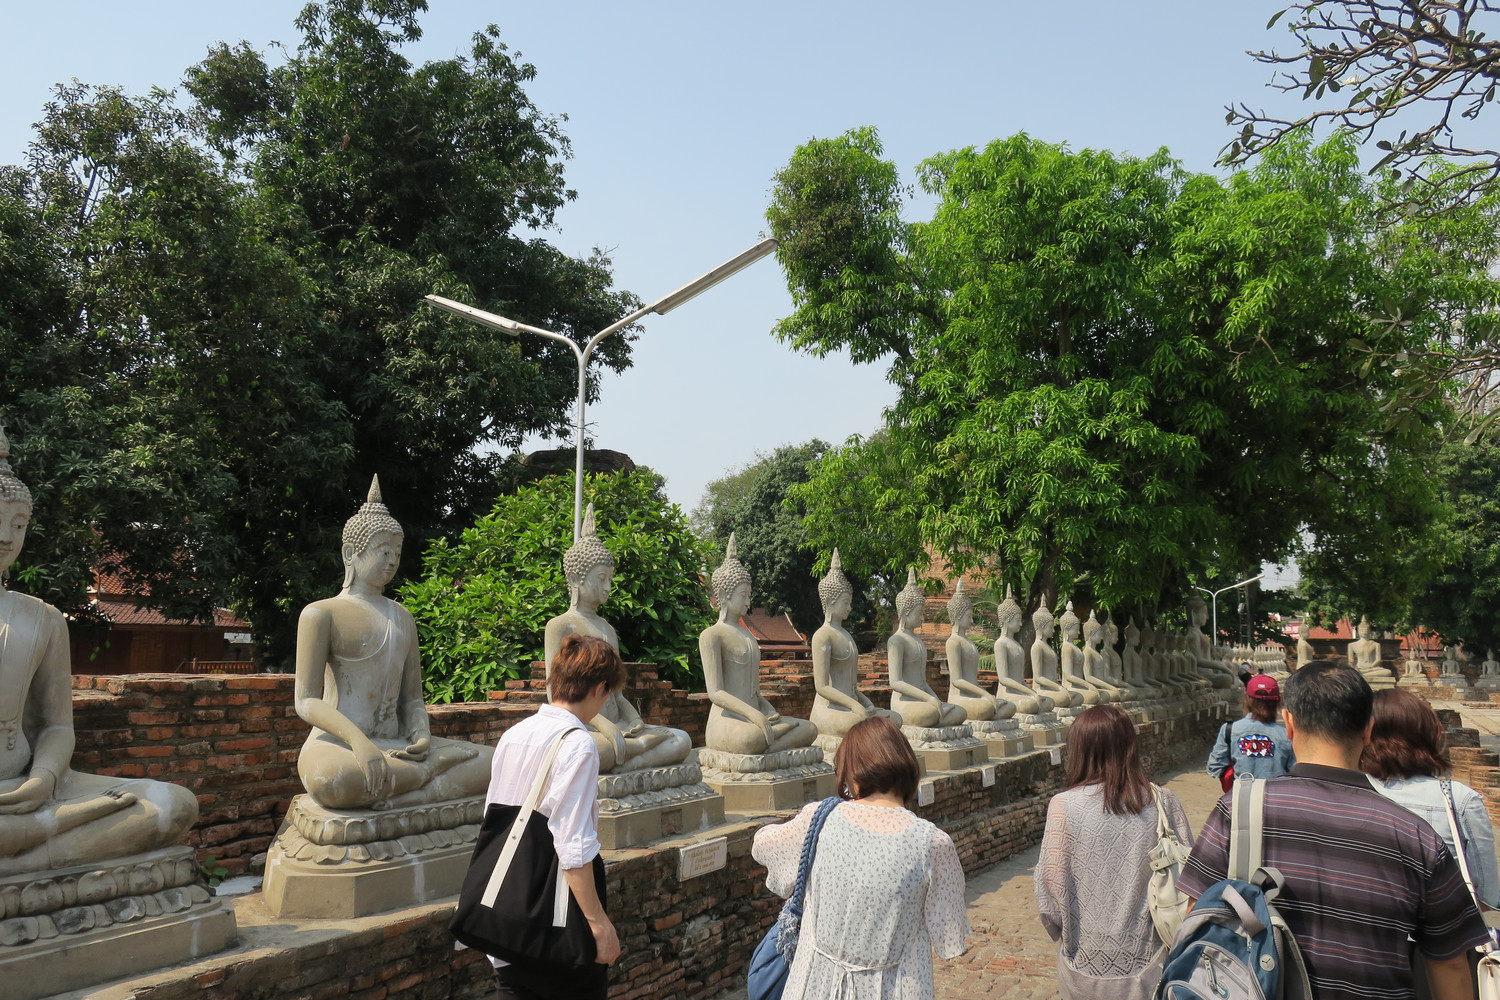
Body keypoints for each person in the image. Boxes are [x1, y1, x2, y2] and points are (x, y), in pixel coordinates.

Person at [1179, 660, 1487, 1000]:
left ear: (1289, 724)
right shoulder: (1416, 836)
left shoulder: (1238, 810)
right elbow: (1450, 964)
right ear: (1368, 730)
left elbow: (1197, 916)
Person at [750, 716, 969, 999]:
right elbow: (950, 938)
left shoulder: (818, 819)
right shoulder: (934, 845)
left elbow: (762, 846)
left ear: (851, 772)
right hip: (893, 988)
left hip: (815, 984)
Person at [484, 634, 627, 1000]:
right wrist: (598, 924)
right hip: (556, 918)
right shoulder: (578, 743)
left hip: (508, 908)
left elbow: (493, 820)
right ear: (599, 688)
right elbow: (573, 845)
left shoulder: (514, 734)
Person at [1034, 704, 1194, 1000]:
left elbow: (1049, 894)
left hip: (1084, 959)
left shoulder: (1063, 806)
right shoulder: (1163, 801)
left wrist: (1067, 933)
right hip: (1153, 959)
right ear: (1129, 747)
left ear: (1078, 750)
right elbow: (1192, 880)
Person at [1362, 688, 1500, 910]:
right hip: (1440, 928)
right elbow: (1485, 897)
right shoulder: (1459, 800)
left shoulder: (1343, 792)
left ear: (1364, 735)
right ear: (1428, 735)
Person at [1206, 674, 1295, 784]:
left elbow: (1214, 767)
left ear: (1247, 699)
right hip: (1275, 793)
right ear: (1278, 702)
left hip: (1241, 793)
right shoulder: (1287, 735)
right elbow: (1295, 772)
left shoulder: (1230, 730)